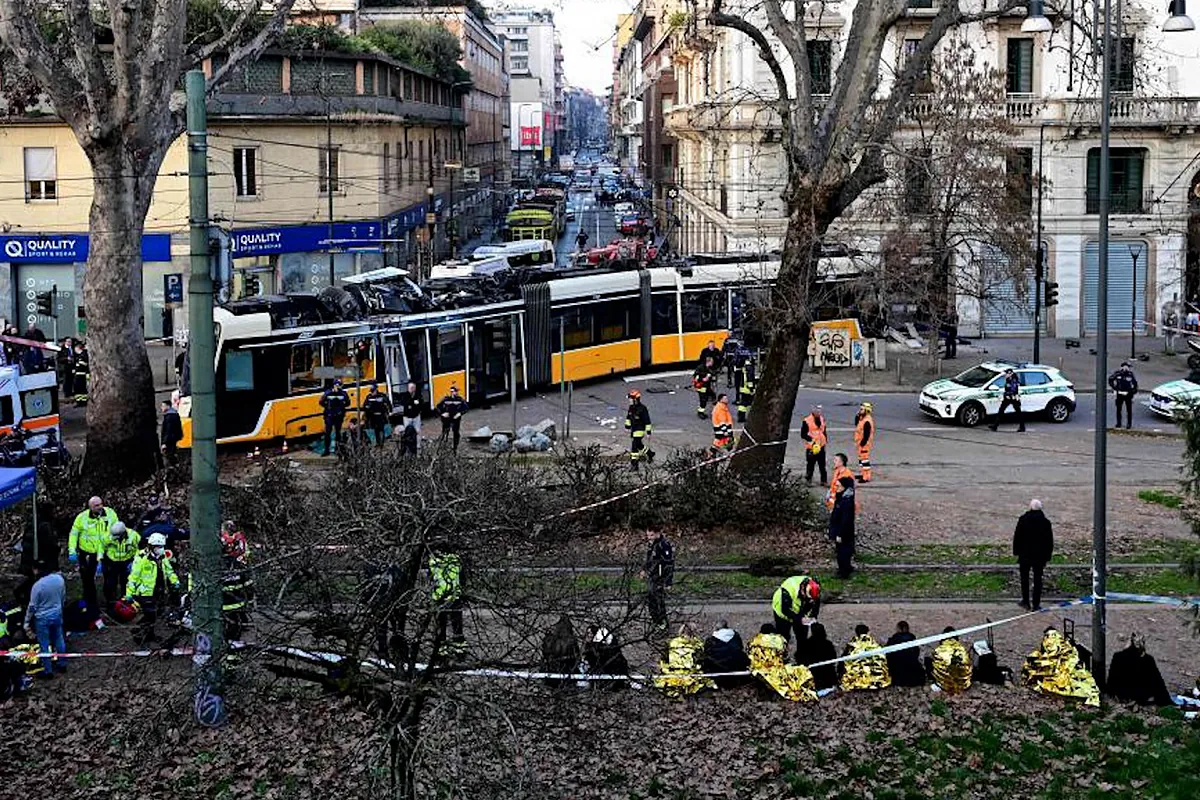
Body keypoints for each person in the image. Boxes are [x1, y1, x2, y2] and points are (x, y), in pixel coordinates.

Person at [125, 532, 180, 646]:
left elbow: (169, 571)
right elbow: (134, 576)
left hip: (158, 589)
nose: (161, 549)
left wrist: (175, 582)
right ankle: (139, 634)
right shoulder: (142, 558)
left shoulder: (162, 557)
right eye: (159, 547)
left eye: (162, 546)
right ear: (152, 546)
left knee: (155, 614)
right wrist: (129, 593)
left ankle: (149, 635)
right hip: (146, 592)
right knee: (150, 615)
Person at [69, 496, 117, 620]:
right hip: (88, 553)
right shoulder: (82, 518)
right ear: (90, 507)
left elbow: (116, 530)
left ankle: (111, 605)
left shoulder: (110, 513)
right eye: (96, 505)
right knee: (87, 581)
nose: (100, 507)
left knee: (110, 579)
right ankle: (91, 608)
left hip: (106, 552)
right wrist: (72, 550)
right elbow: (74, 534)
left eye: (101, 504)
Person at [23, 562, 67, 676]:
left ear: (37, 570)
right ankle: (62, 664)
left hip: (42, 619)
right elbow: (63, 597)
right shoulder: (59, 579)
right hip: (57, 614)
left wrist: (27, 622)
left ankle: (48, 670)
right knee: (59, 639)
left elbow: (32, 606)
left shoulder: (37, 586)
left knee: (44, 644)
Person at [16, 502, 58, 610]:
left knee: (35, 582)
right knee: (37, 583)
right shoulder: (44, 526)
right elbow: (49, 545)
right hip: (39, 561)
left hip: (31, 560)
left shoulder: (33, 523)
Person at [1013, 499, 1053, 610]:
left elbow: (1017, 536)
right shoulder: (1046, 522)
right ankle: (1036, 604)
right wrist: (1048, 556)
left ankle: (1025, 601)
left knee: (1024, 578)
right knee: (1038, 579)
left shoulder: (1023, 519)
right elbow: (1049, 541)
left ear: (1030, 507)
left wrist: (1016, 551)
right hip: (1039, 556)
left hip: (1025, 555)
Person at [429, 548, 466, 657]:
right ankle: (459, 651)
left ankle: (441, 652)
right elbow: (462, 579)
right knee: (457, 627)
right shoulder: (456, 560)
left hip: (439, 598)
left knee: (441, 628)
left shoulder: (433, 561)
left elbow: (430, 580)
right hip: (454, 598)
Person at [220, 522, 253, 642]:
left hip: (237, 566)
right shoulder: (233, 538)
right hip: (236, 569)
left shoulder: (237, 538)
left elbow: (244, 552)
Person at [100, 521, 140, 614]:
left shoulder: (134, 536)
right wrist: (101, 560)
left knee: (126, 583)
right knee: (110, 584)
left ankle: (126, 605)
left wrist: (136, 562)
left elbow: (139, 549)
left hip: (127, 562)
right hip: (112, 562)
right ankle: (110, 605)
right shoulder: (107, 536)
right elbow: (101, 548)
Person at [771, 574, 821, 646]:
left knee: (802, 638)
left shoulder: (815, 587)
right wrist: (800, 619)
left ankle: (801, 651)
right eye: (807, 598)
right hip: (782, 613)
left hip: (800, 613)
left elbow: (816, 605)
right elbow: (785, 610)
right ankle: (782, 651)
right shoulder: (788, 590)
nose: (808, 600)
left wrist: (813, 618)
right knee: (783, 637)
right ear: (802, 589)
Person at [839, 623, 892, 691]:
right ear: (868, 632)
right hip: (878, 679)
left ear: (856, 633)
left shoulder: (853, 645)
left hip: (856, 679)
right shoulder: (874, 644)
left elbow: (843, 659)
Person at [702, 620, 751, 689]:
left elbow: (707, 653)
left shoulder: (711, 640)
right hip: (735, 664)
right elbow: (740, 647)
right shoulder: (735, 636)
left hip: (719, 667)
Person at [643, 529, 675, 629]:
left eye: (652, 535)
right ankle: (656, 622)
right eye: (648, 535)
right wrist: (645, 569)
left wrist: (668, 582)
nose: (649, 538)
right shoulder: (652, 544)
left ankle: (663, 624)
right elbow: (649, 559)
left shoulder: (663, 544)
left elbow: (669, 564)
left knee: (659, 602)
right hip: (652, 577)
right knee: (651, 601)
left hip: (660, 578)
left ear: (658, 533)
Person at [541, 614, 580, 689]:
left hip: (552, 671)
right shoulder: (571, 639)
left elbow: (545, 653)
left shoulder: (550, 638)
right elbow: (576, 656)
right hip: (568, 671)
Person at [795, 621, 838, 690]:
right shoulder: (828, 644)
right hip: (827, 676)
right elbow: (833, 658)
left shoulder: (806, 644)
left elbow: (798, 658)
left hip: (811, 676)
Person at [829, 475, 857, 579]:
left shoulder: (846, 502)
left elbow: (846, 520)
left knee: (843, 552)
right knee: (843, 551)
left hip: (843, 532)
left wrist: (840, 534)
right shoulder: (843, 498)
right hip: (842, 531)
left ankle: (844, 572)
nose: (836, 488)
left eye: (838, 486)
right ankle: (845, 568)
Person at [885, 620, 926, 687]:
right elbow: (916, 653)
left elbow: (888, 655)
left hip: (898, 675)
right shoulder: (912, 638)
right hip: (914, 676)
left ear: (898, 628)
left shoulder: (893, 639)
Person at [320, 379, 350, 456]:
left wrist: (341, 407)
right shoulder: (328, 393)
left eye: (340, 385)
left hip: (339, 416)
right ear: (334, 385)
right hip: (329, 416)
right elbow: (321, 402)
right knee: (327, 433)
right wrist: (328, 407)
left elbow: (348, 403)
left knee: (338, 433)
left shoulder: (343, 393)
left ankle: (338, 449)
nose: (339, 387)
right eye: (338, 385)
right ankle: (326, 450)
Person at [988, 368, 1024, 432]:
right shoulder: (1008, 379)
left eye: (1007, 373)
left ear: (1010, 374)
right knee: (1001, 411)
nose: (1005, 375)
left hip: (1013, 398)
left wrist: (1008, 395)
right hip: (1008, 397)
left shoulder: (1013, 380)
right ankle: (995, 426)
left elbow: (1013, 389)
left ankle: (1022, 427)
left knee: (1018, 413)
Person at [625, 389, 654, 469]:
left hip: (640, 429)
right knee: (639, 445)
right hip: (633, 429)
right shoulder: (631, 407)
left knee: (634, 446)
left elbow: (647, 420)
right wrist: (627, 425)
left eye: (631, 399)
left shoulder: (642, 408)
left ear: (635, 399)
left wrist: (648, 432)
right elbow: (628, 417)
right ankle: (649, 453)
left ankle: (634, 464)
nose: (629, 400)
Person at [800, 405, 828, 486]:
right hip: (812, 447)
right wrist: (812, 441)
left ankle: (824, 481)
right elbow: (803, 434)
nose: (819, 412)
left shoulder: (822, 419)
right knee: (810, 465)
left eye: (820, 411)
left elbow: (823, 431)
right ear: (813, 411)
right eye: (817, 411)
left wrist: (825, 440)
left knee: (822, 465)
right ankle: (808, 480)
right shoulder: (806, 421)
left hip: (821, 446)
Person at [435, 385, 468, 452]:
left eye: (454, 391)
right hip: (447, 419)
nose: (453, 393)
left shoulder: (460, 399)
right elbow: (438, 407)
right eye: (452, 391)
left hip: (455, 418)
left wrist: (460, 413)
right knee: (445, 432)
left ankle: (455, 448)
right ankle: (442, 446)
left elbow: (466, 408)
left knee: (456, 432)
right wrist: (442, 413)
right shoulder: (446, 399)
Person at [1108, 361, 1138, 430]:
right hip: (1119, 394)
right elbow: (1110, 379)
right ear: (1123, 367)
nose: (1128, 368)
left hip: (1128, 394)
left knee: (1129, 410)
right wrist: (1114, 387)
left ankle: (1129, 424)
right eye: (1127, 367)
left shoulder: (1130, 374)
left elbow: (1135, 384)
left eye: (1129, 367)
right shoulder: (1117, 373)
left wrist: (1133, 392)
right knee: (1118, 409)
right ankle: (1119, 423)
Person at [362, 382, 392, 446]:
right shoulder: (369, 397)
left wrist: (390, 411)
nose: (372, 392)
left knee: (382, 428)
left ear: (376, 390)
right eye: (371, 391)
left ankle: (383, 442)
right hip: (373, 416)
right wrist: (367, 408)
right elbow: (364, 406)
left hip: (381, 415)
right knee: (376, 430)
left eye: (373, 391)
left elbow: (388, 403)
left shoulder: (382, 396)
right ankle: (378, 443)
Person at [854, 402, 875, 482]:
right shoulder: (862, 418)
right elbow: (857, 424)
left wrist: (862, 443)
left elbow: (867, 435)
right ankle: (863, 474)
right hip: (860, 443)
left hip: (864, 444)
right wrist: (857, 416)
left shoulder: (867, 421)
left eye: (862, 409)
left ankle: (866, 477)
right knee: (861, 460)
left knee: (865, 460)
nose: (860, 410)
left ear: (867, 411)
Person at [734, 354, 756, 423]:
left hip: (743, 387)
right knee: (752, 402)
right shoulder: (750, 367)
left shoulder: (744, 366)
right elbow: (750, 378)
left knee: (743, 403)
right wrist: (751, 388)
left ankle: (741, 416)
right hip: (747, 388)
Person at [160, 400, 183, 464]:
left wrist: (164, 443)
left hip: (169, 441)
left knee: (169, 457)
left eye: (163, 406)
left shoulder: (169, 417)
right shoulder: (175, 415)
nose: (161, 408)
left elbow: (168, 430)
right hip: (174, 439)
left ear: (168, 406)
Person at [72, 341, 89, 406]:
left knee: (82, 389)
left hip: (82, 374)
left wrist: (78, 364)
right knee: (77, 388)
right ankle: (79, 401)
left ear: (77, 348)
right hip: (78, 374)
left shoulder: (84, 355)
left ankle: (83, 401)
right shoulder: (79, 356)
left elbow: (85, 364)